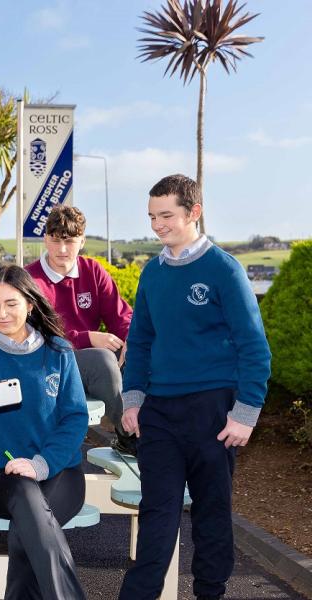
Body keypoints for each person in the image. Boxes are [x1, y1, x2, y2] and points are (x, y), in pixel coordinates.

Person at [117, 175, 271, 600]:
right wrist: (133, 400)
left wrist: (245, 413)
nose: (157, 225)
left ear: (194, 212)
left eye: (166, 215)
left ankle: (210, 593)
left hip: (213, 411)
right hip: (160, 414)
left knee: (211, 513)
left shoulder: (224, 269)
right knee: (157, 514)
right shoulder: (152, 273)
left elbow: (254, 347)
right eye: (152, 216)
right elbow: (140, 341)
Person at [0, 265, 89, 600]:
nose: (1, 313)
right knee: (27, 502)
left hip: (61, 473)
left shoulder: (58, 352)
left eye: (10, 303)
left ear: (30, 304)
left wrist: (41, 464)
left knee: (26, 534)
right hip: (3, 478)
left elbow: (75, 418)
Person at [25, 205, 136, 454]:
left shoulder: (93, 271)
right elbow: (34, 335)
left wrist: (129, 338)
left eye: (70, 241)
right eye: (55, 240)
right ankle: (129, 436)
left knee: (138, 353)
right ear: (45, 239)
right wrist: (87, 338)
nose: (62, 249)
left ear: (82, 240)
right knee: (103, 359)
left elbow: (121, 315)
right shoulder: (29, 279)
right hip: (47, 364)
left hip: (86, 366)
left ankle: (156, 432)